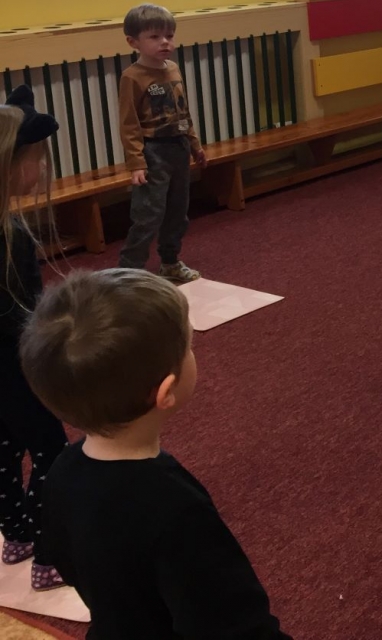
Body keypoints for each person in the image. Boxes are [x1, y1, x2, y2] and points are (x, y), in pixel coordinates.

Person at [20, 269, 290, 638]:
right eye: (189, 347)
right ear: (166, 391)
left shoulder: (62, 470)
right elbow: (235, 624)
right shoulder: (175, 509)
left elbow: (63, 556)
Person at [0, 88, 67, 591]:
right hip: (16, 369)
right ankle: (49, 556)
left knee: (2, 452)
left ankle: (17, 534)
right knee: (51, 452)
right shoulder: (13, 236)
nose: (41, 169)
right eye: (36, 160)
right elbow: (23, 316)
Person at [117, 4, 206, 283]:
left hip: (178, 147)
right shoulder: (132, 77)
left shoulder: (174, 69)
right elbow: (129, 123)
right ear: (133, 42)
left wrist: (195, 144)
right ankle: (128, 272)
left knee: (178, 212)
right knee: (148, 215)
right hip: (153, 152)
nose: (165, 42)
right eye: (155, 37)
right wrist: (136, 162)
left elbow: (183, 112)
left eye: (169, 35)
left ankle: (170, 262)